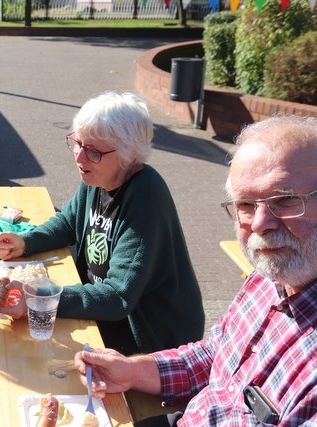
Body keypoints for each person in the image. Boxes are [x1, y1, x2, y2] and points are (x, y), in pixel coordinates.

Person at [74, 115, 317, 426]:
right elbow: (216, 354)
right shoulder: (268, 277)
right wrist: (134, 370)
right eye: (245, 204)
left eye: (285, 200)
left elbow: (118, 295)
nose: (259, 224)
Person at [0, 91, 204, 355]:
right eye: (78, 143)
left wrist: (40, 297)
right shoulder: (99, 178)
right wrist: (26, 242)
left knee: (36, 356)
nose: (80, 157)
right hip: (106, 313)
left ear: (129, 154)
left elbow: (117, 296)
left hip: (148, 339)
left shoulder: (146, 199)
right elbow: (68, 222)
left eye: (93, 151)